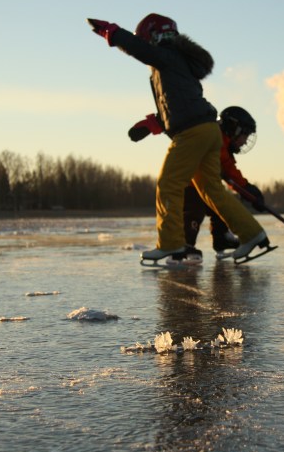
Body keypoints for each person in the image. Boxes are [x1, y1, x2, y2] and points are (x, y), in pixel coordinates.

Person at [88, 13, 273, 264]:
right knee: (211, 190)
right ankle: (251, 233)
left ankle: (172, 243)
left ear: (151, 36)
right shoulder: (177, 62)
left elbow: (139, 51)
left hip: (192, 132)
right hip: (207, 130)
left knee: (169, 185)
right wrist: (152, 124)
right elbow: (178, 102)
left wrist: (112, 33)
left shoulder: (166, 55)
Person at [182, 106, 265, 258]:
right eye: (245, 135)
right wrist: (245, 188)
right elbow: (227, 169)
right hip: (189, 185)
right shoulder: (216, 139)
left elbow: (229, 170)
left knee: (220, 206)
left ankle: (221, 239)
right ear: (234, 129)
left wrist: (247, 189)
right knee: (195, 207)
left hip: (206, 188)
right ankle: (184, 245)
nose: (246, 141)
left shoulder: (224, 145)